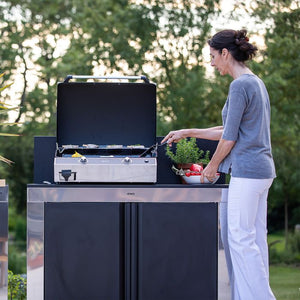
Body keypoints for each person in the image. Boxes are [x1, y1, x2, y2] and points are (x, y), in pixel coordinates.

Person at [161, 29, 276, 300]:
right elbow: (229, 129)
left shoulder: (239, 85)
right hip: (262, 171)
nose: (211, 63)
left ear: (225, 53)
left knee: (239, 238)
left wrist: (211, 167)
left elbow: (229, 138)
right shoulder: (255, 82)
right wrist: (190, 132)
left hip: (247, 172)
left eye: (213, 56)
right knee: (255, 239)